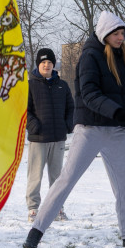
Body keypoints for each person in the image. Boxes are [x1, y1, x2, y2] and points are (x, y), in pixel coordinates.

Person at [22, 12, 125, 248]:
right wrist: (116, 112)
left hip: (115, 132)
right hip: (90, 129)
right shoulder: (89, 56)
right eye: (116, 33)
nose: (120, 37)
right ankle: (35, 233)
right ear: (104, 33)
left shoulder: (122, 57)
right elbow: (90, 94)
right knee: (66, 180)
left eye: (122, 32)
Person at [25, 47, 75, 224]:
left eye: (49, 62)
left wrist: (67, 125)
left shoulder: (63, 85)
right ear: (38, 64)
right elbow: (25, 111)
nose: (46, 65)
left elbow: (71, 108)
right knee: (35, 176)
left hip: (58, 138)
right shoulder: (30, 85)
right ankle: (33, 209)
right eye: (43, 62)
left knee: (57, 177)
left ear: (53, 65)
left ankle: (57, 209)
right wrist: (34, 126)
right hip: (39, 138)